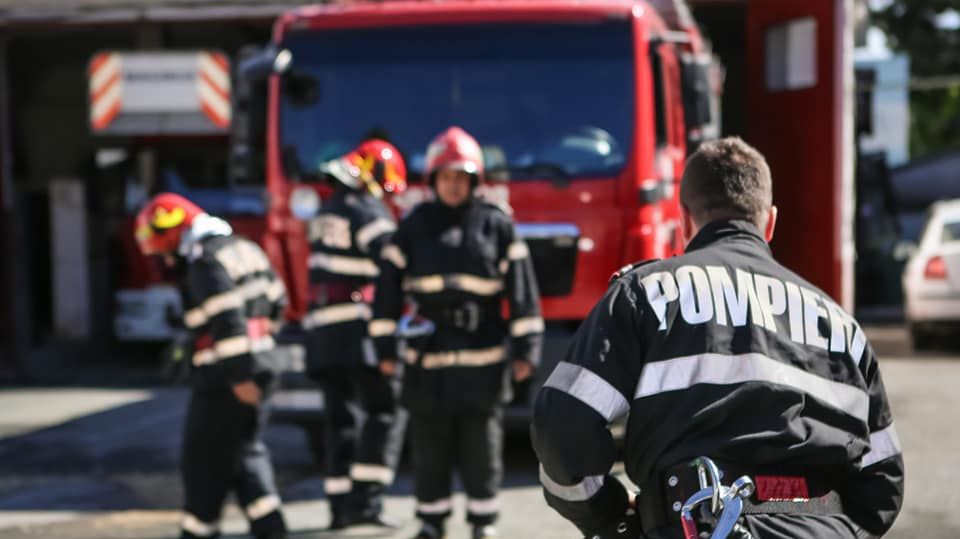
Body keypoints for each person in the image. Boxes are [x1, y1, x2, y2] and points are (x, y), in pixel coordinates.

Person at [531, 137, 904, 539]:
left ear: (684, 218)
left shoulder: (646, 294)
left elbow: (562, 427)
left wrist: (613, 519)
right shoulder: (841, 325)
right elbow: (884, 482)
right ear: (771, 221)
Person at [371, 126, 544, 539]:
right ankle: (431, 522)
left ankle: (483, 523)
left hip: (481, 358)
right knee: (429, 448)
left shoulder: (496, 226)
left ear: (474, 181)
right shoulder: (413, 226)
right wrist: (383, 347)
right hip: (426, 359)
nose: (453, 185)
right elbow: (387, 292)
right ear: (433, 180)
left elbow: (523, 295)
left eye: (460, 177)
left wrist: (527, 351)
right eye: (445, 177)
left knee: (480, 449)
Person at [134, 193, 289, 539]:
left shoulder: (204, 261)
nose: (163, 258)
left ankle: (198, 532)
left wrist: (239, 376)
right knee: (243, 454)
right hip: (262, 365)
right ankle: (271, 529)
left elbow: (228, 322)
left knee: (202, 460)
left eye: (162, 248)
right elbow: (279, 300)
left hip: (227, 378)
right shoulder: (245, 247)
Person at [303, 139, 409, 529]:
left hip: (322, 333)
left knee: (340, 420)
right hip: (357, 332)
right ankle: (365, 504)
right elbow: (391, 256)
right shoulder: (364, 207)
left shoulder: (327, 208)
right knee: (386, 410)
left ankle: (338, 508)